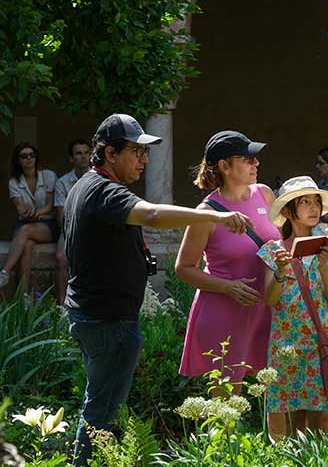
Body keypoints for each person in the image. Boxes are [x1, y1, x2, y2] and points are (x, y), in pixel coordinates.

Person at [64, 114, 252, 466]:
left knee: (99, 406)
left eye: (145, 152)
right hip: (108, 321)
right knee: (101, 413)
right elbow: (150, 215)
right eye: (136, 151)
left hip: (97, 316)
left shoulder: (86, 186)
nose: (144, 160)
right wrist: (215, 216)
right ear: (108, 153)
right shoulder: (104, 190)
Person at [177, 131, 280, 391]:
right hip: (224, 311)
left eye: (255, 158)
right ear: (224, 166)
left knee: (276, 395)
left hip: (267, 308)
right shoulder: (207, 212)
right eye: (247, 159)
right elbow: (183, 268)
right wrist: (228, 286)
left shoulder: (265, 194)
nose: (256, 163)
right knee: (226, 404)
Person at [257, 175, 328, 440]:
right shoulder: (273, 250)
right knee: (290, 411)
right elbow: (270, 300)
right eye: (304, 202)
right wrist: (281, 271)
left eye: (316, 201)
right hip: (287, 344)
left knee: (321, 413)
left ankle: (324, 459)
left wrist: (322, 268)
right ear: (287, 211)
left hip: (320, 340)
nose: (313, 207)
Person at [0, 143, 58, 289]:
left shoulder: (49, 175)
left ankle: (4, 273)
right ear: (18, 160)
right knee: (26, 246)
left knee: (25, 231)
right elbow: (20, 208)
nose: (28, 158)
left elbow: (49, 206)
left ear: (36, 157)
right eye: (24, 156)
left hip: (48, 224)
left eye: (32, 155)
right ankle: (25, 297)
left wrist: (38, 212)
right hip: (26, 221)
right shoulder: (14, 182)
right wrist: (27, 214)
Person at [54, 139, 91, 304]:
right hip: (69, 230)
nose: (83, 157)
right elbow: (62, 217)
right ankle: (62, 304)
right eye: (78, 153)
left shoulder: (98, 179)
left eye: (86, 153)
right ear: (71, 158)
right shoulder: (63, 182)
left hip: (94, 230)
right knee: (61, 258)